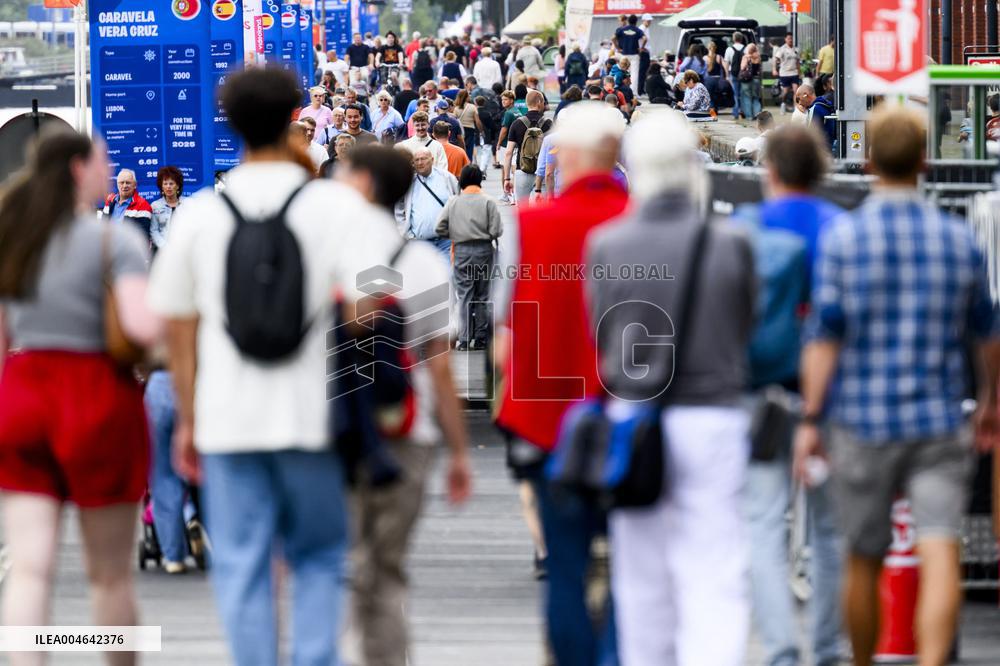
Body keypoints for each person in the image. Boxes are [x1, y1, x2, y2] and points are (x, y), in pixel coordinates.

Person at [148, 67, 401, 666]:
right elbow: (373, 305)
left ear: (228, 124)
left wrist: (187, 417)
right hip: (312, 416)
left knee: (241, 563)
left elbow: (175, 332)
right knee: (318, 555)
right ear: (295, 118)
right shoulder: (334, 208)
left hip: (228, 420)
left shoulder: (199, 215)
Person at [793, 105, 1000, 666]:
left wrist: (812, 418)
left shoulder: (844, 239)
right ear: (925, 163)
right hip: (937, 421)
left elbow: (824, 336)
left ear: (867, 160)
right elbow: (987, 332)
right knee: (939, 547)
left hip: (860, 422)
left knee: (862, 555)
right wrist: (989, 402)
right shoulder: (957, 240)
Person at [584, 107, 755, 666]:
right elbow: (744, 326)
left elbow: (599, 332)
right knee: (715, 565)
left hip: (634, 416)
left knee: (640, 575)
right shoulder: (730, 243)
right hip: (715, 415)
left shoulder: (607, 245)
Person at [0, 130, 158, 656]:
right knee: (110, 576)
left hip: (23, 395)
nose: (109, 171)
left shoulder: (11, 237)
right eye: (103, 162)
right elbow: (139, 329)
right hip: (96, 398)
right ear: (76, 169)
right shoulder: (116, 242)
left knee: (30, 570)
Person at [493, 101, 628, 666]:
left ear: (566, 156)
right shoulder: (640, 221)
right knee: (632, 566)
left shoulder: (530, 224)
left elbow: (504, 334)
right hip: (629, 424)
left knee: (565, 567)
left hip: (548, 423)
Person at [333, 144, 472, 666]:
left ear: (364, 184)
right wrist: (458, 452)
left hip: (333, 432)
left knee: (336, 566)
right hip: (404, 436)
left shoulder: (326, 252)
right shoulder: (421, 262)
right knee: (386, 571)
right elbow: (438, 366)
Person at [734, 123, 845, 666]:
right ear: (821, 170)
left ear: (769, 170)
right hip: (830, 398)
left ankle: (780, 651)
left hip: (760, 393)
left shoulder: (745, 228)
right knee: (828, 529)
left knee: (761, 522)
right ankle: (826, 648)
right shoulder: (842, 228)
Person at [436, 164, 501, 351]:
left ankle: (463, 339)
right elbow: (497, 230)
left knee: (464, 295)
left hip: (462, 251)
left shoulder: (453, 202)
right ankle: (481, 337)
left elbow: (439, 227)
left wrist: (456, 234)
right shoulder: (489, 202)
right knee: (482, 294)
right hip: (484, 251)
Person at [394, 145, 459, 256]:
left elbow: (459, 202)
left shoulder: (447, 178)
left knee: (448, 272)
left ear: (432, 160)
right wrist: (406, 234)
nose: (420, 163)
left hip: (446, 242)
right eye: (416, 160)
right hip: (421, 244)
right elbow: (399, 209)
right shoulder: (409, 183)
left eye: (423, 159)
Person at [503, 90, 553, 205]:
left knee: (522, 210)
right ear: (540, 103)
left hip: (522, 170)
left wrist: (507, 178)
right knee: (543, 211)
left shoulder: (516, 123)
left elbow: (508, 152)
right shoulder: (549, 123)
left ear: (526, 103)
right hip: (542, 172)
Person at [102, 168, 153, 243]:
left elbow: (143, 236)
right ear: (117, 184)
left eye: (128, 182)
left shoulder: (143, 206)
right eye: (121, 183)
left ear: (135, 185)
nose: (124, 185)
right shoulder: (109, 202)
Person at [149, 165, 183, 253]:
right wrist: (166, 248)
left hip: (183, 251)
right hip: (161, 253)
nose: (168, 187)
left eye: (171, 183)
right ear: (161, 187)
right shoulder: (155, 206)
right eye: (165, 184)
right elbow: (153, 231)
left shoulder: (188, 204)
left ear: (178, 186)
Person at [614, 14, 643, 96]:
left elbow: (613, 38)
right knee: (634, 73)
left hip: (624, 54)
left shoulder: (621, 30)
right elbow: (644, 38)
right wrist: (641, 48)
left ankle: (621, 90)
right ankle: (633, 92)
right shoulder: (637, 30)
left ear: (627, 20)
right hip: (634, 54)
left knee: (622, 72)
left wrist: (617, 48)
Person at [772, 33, 801, 113]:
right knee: (785, 91)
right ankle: (783, 104)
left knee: (796, 90)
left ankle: (796, 108)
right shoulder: (782, 49)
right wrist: (774, 69)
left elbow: (798, 61)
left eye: (791, 38)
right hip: (785, 73)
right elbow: (775, 59)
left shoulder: (796, 49)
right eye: (788, 38)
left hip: (794, 72)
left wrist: (799, 72)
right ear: (785, 39)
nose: (790, 40)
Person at [455, 89, 485, 161]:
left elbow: (455, 121)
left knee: (461, 148)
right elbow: (477, 121)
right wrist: (481, 131)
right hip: (470, 130)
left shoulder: (456, 108)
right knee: (469, 150)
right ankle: (468, 165)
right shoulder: (472, 107)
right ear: (466, 97)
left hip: (460, 130)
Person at [725, 32, 747, 119]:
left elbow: (727, 63)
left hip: (733, 74)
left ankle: (736, 113)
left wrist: (726, 75)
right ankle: (743, 111)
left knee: (735, 94)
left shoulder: (729, 49)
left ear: (734, 39)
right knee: (743, 94)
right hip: (744, 74)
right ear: (741, 39)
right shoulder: (746, 49)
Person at [739, 43, 764, 120]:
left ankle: (749, 116)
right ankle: (757, 114)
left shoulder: (746, 57)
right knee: (756, 98)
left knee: (747, 98)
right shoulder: (758, 57)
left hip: (747, 80)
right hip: (756, 79)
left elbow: (742, 67)